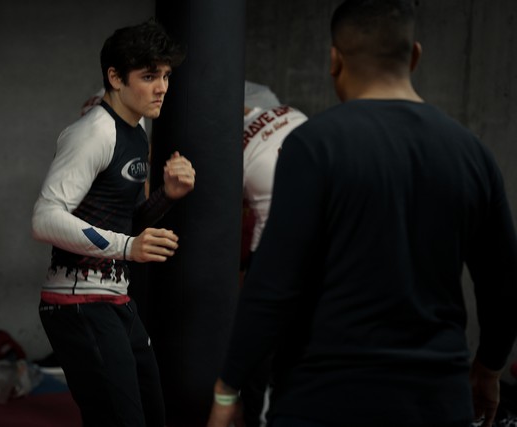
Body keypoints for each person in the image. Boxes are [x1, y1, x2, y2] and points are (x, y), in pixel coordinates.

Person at [208, 1, 517, 427]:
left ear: (334, 60)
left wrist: (229, 387)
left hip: (324, 400)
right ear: (414, 56)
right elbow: (504, 283)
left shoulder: (313, 145)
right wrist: (490, 367)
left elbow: (273, 284)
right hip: (435, 400)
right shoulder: (473, 154)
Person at [32, 18, 194, 427]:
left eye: (166, 76)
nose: (162, 87)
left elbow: (127, 222)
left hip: (115, 298)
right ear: (116, 77)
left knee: (153, 415)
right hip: (78, 302)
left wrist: (167, 195)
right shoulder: (94, 132)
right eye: (149, 76)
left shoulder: (136, 131)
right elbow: (45, 219)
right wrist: (127, 248)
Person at [239, 89, 308, 427]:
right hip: (317, 243)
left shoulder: (230, 150)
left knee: (262, 346)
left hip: (274, 253)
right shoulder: (291, 112)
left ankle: (257, 414)